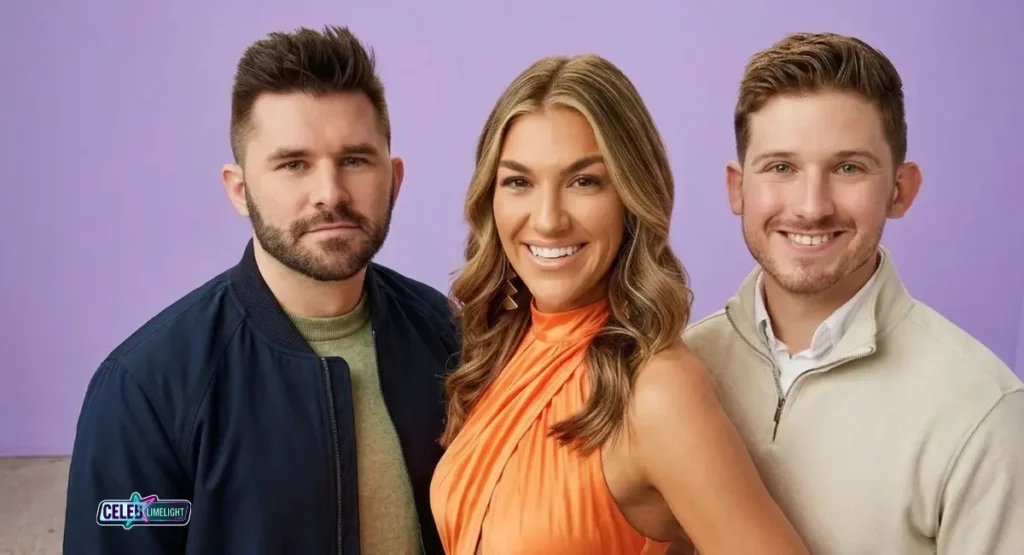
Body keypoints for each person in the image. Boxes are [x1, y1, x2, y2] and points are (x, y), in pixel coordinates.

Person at [63, 26, 458, 555]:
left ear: (395, 178)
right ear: (239, 190)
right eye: (294, 164)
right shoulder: (147, 389)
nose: (330, 193)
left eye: (356, 160)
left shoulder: (444, 333)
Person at [429, 53, 809, 555]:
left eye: (584, 181)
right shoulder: (503, 350)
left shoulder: (658, 390)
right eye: (519, 181)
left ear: (631, 196)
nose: (547, 220)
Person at [681, 32, 1024, 554]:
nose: (811, 206)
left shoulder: (981, 411)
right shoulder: (680, 372)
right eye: (781, 167)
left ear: (900, 190)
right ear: (737, 187)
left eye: (848, 168)